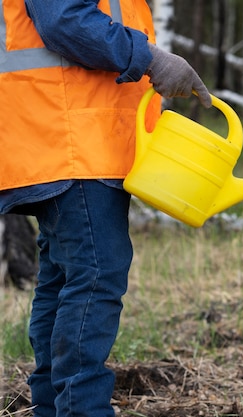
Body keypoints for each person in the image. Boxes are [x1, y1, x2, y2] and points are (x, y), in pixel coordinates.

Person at [0, 1, 211, 416]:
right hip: (71, 134)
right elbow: (64, 19)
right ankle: (83, 409)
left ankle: (52, 405)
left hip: (72, 133)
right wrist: (150, 57)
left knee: (64, 279)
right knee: (96, 272)